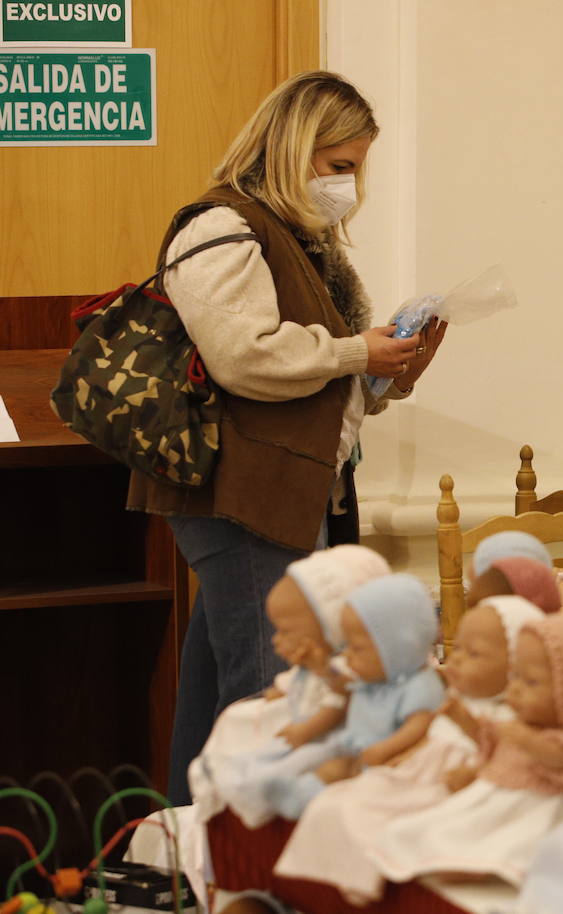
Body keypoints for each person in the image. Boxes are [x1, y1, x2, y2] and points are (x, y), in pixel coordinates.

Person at [127, 71, 445, 804]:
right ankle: (254, 866)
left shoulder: (303, 240)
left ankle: (187, 851)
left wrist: (387, 374)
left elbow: (312, 381)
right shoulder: (220, 227)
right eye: (339, 166)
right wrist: (358, 352)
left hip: (287, 491)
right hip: (240, 493)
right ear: (294, 147)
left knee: (220, 688)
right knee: (271, 691)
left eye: (355, 168)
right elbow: (246, 357)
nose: (347, 185)